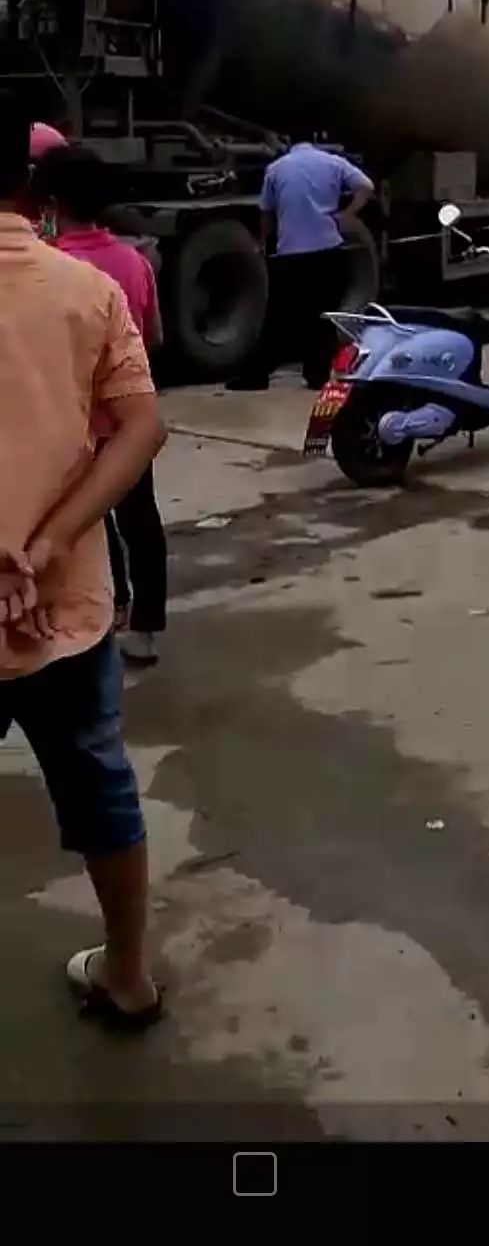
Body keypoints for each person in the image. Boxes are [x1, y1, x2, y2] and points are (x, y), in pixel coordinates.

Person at [0, 93, 167, 1027]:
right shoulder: (89, 289)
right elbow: (142, 426)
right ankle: (130, 974)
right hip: (64, 602)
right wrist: (48, 542)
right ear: (33, 182)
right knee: (97, 777)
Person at [34, 142, 168, 669]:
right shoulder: (134, 263)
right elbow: (153, 336)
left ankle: (107, 611)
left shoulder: (53, 269)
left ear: (49, 202)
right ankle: (147, 625)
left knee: (87, 523)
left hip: (76, 429)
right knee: (140, 522)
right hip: (128, 419)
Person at [228, 129, 373, 391]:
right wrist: (347, 215)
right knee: (324, 314)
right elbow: (366, 187)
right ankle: (317, 374)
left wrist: (263, 243)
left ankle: (257, 375)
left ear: (289, 144)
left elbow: (266, 213)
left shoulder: (277, 168)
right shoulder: (333, 162)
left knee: (278, 316)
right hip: (328, 249)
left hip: (291, 252)